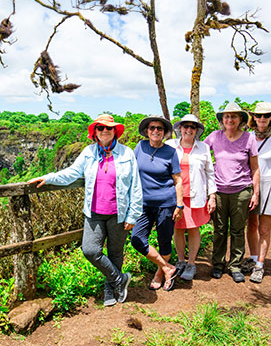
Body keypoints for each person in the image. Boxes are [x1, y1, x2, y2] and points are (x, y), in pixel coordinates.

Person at [28, 114, 143, 306]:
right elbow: (72, 173)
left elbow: (136, 186)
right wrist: (48, 178)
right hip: (94, 213)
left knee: (115, 253)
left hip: (119, 213)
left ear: (115, 131)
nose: (104, 131)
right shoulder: (89, 152)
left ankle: (109, 289)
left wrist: (133, 215)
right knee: (90, 250)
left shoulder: (126, 153)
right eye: (100, 128)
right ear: (95, 132)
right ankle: (120, 279)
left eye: (109, 128)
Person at [204, 102, 260, 283]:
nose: (230, 119)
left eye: (234, 116)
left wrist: (255, 193)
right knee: (219, 230)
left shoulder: (249, 138)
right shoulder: (214, 137)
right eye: (227, 116)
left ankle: (235, 265)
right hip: (219, 191)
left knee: (237, 230)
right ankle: (218, 264)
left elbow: (255, 168)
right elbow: (200, 155)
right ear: (222, 120)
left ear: (241, 119)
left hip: (241, 190)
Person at [131, 115, 183, 291]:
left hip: (166, 203)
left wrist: (179, 205)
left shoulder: (170, 152)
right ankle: (168, 267)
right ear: (147, 130)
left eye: (159, 129)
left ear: (164, 132)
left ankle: (160, 274)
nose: (155, 131)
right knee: (137, 239)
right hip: (143, 204)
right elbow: (129, 169)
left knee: (164, 240)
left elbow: (178, 180)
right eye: (152, 128)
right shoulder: (140, 146)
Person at [166, 114, 217, 281]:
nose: (188, 130)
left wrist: (212, 196)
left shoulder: (203, 148)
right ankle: (180, 260)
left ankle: (191, 263)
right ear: (179, 128)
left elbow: (210, 173)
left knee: (194, 229)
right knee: (178, 229)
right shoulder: (170, 146)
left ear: (197, 131)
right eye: (185, 126)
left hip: (196, 195)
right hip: (175, 196)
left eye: (192, 127)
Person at [244, 102, 271, 283]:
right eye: (258, 115)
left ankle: (260, 265)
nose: (262, 119)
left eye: (266, 116)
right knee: (252, 225)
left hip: (270, 183)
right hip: (250, 184)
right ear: (253, 117)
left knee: (264, 228)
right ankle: (254, 258)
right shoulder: (248, 137)